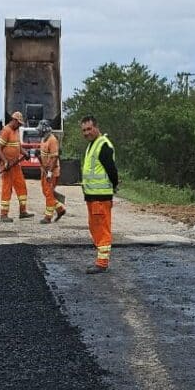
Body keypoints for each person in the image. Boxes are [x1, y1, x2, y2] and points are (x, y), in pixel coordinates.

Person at [80, 115, 118, 273]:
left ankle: (102, 263)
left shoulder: (103, 145)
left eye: (89, 129)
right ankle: (101, 258)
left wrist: (114, 186)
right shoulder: (92, 145)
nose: (86, 132)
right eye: (84, 130)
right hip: (92, 196)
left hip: (101, 197)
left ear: (96, 127)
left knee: (102, 229)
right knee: (94, 227)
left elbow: (112, 170)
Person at [0, 111, 33, 222]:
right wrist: (5, 161)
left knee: (21, 186)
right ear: (14, 120)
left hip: (16, 164)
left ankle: (23, 211)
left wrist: (24, 153)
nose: (20, 126)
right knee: (7, 189)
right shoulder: (6, 131)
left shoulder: (16, 131)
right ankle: (4, 215)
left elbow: (18, 146)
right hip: (7, 165)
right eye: (19, 123)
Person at [37, 120, 66, 225]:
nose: (38, 132)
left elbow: (54, 158)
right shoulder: (43, 139)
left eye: (40, 130)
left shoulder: (52, 140)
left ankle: (48, 217)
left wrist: (49, 173)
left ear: (44, 130)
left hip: (52, 172)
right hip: (44, 171)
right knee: (45, 192)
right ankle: (60, 209)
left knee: (49, 193)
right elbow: (43, 155)